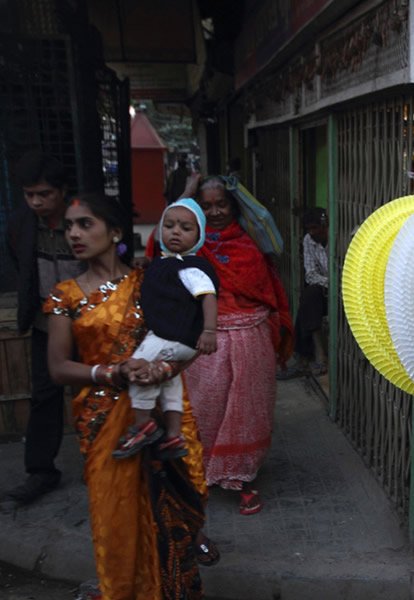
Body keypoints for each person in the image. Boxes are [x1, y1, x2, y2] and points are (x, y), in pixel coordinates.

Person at [44, 193, 210, 598]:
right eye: (69, 226)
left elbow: (185, 336)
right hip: (106, 423)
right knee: (116, 519)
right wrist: (113, 371)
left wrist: (162, 368)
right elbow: (58, 368)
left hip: (164, 408)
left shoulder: (151, 279)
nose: (75, 234)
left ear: (115, 232)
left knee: (175, 509)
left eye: (86, 223)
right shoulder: (64, 296)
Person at [160, 174, 292, 515]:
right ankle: (197, 473)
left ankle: (243, 477)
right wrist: (187, 195)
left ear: (233, 206)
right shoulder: (187, 242)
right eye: (206, 206)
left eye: (222, 204)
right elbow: (157, 252)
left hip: (252, 336)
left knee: (250, 411)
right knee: (205, 409)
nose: (216, 212)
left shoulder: (249, 244)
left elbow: (267, 291)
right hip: (205, 342)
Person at [4, 151, 85, 506]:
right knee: (44, 396)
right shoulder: (22, 222)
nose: (36, 201)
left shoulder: (83, 218)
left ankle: (105, 463)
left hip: (90, 323)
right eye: (29, 194)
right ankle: (40, 471)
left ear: (62, 191)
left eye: (44, 194)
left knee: (96, 393)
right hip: (45, 324)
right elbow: (16, 261)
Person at [113, 198, 220, 461]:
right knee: (169, 383)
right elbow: (164, 275)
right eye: (169, 225)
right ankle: (174, 436)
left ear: (199, 236)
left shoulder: (191, 267)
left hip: (169, 336)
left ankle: (143, 425)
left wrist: (209, 331)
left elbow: (208, 296)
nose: (175, 232)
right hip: (176, 339)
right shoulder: (167, 262)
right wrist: (147, 264)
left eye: (186, 228)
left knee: (140, 370)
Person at [294, 207, 329, 376]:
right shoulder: (309, 240)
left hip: (348, 289)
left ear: (325, 225)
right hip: (325, 288)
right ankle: (318, 353)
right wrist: (329, 284)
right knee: (309, 297)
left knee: (307, 301)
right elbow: (311, 274)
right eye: (309, 229)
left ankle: (307, 357)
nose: (312, 232)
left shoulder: (339, 236)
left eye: (316, 227)